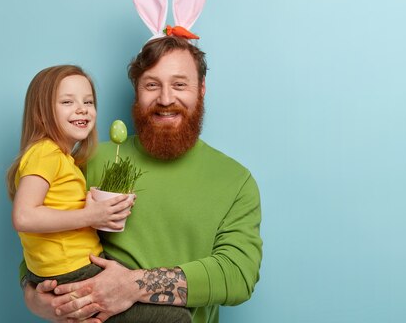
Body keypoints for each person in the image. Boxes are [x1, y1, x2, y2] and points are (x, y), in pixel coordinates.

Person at [20, 37, 263, 323]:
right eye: (151, 84)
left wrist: (134, 286)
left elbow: (237, 274)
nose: (165, 99)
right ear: (137, 91)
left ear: (202, 89)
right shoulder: (89, 160)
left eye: (180, 84)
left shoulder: (235, 181)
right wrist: (34, 298)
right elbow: (45, 242)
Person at [8, 64, 193, 322]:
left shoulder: (63, 159)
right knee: (177, 317)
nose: (82, 108)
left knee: (143, 283)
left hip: (75, 266)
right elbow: (24, 217)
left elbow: (56, 207)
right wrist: (90, 215)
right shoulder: (45, 153)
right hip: (72, 271)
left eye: (88, 101)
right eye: (67, 102)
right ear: (42, 113)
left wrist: (90, 201)